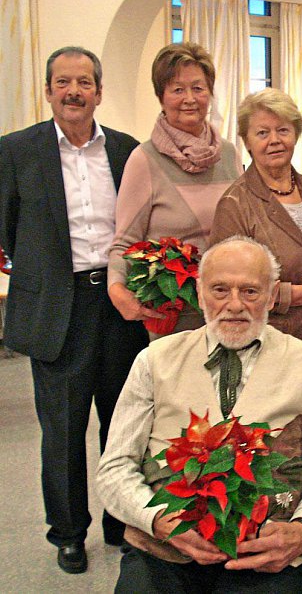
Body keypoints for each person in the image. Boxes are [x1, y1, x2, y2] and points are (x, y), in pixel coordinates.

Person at [97, 236, 302, 593]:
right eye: (220, 290)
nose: (235, 305)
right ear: (200, 293)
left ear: (271, 294)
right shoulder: (154, 360)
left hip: (264, 552)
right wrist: (155, 520)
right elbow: (114, 467)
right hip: (165, 548)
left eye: (250, 291)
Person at [0, 46, 149, 573]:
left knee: (123, 424)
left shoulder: (128, 152)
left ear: (99, 92)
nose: (74, 92)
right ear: (47, 91)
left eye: (84, 82)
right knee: (62, 430)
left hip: (117, 306)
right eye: (62, 82)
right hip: (55, 310)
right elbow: (6, 227)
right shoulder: (15, 151)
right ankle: (67, 532)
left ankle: (119, 520)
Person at [209, 88, 302, 389]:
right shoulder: (235, 204)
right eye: (262, 132)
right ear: (247, 141)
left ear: (295, 134)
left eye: (283, 130)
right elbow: (223, 290)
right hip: (272, 351)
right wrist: (298, 295)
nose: (274, 140)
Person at [108, 42, 241, 337]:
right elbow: (123, 243)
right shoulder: (145, 159)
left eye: (198, 88)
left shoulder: (230, 155)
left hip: (233, 309)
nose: (189, 99)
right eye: (177, 89)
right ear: (161, 96)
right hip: (176, 315)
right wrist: (118, 291)